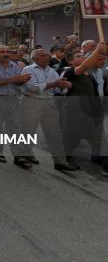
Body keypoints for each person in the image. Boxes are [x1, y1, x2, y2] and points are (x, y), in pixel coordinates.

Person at [20, 49, 77, 171]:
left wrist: (65, 86)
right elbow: (32, 87)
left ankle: (60, 161)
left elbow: (57, 89)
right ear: (34, 58)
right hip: (32, 101)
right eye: (42, 55)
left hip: (49, 103)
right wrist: (54, 84)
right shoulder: (28, 69)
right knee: (28, 131)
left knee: (54, 133)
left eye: (47, 55)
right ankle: (25, 155)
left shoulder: (52, 71)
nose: (46, 57)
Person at [62, 45, 108, 175]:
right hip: (75, 114)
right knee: (70, 140)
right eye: (78, 57)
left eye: (83, 56)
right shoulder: (70, 72)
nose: (81, 58)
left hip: (91, 114)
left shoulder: (91, 75)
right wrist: (97, 50)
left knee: (100, 141)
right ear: (70, 61)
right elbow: (82, 67)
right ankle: (65, 159)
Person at [0, 45, 31, 167]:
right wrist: (13, 79)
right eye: (2, 51)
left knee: (15, 128)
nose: (5, 54)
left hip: (13, 99)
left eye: (7, 51)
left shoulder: (15, 65)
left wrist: (23, 80)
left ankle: (18, 155)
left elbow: (17, 82)